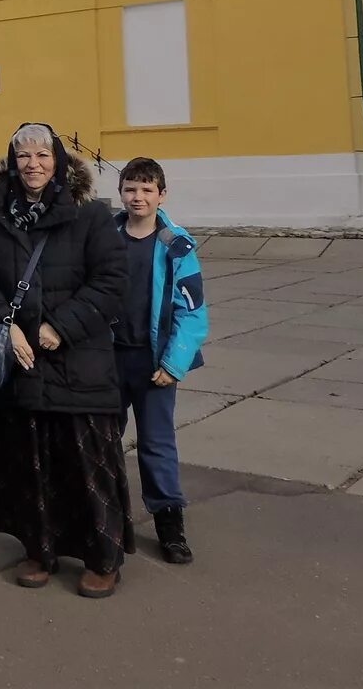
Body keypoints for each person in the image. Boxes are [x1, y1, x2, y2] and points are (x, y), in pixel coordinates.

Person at [0, 123, 132, 598]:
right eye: (23, 156)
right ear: (11, 162)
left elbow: (112, 279)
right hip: (17, 359)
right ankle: (39, 547)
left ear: (57, 160)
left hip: (77, 360)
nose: (32, 165)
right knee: (29, 460)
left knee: (85, 461)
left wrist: (62, 327)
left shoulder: (90, 216)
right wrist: (5, 324)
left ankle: (102, 556)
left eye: (42, 156)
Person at [113, 157, 208, 566]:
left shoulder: (176, 245)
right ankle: (107, 516)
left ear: (161, 195)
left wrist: (174, 364)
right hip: (108, 359)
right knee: (101, 442)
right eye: (131, 189)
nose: (138, 197)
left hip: (154, 365)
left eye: (147, 190)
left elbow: (192, 312)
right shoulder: (106, 237)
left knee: (156, 444)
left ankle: (170, 524)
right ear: (121, 193)